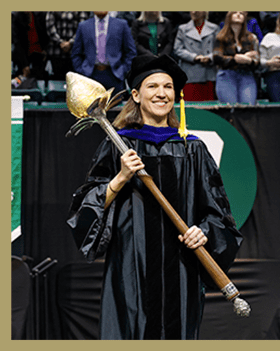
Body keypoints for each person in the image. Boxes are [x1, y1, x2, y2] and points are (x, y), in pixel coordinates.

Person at [67, 54, 243, 339]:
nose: (162, 93)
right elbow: (86, 209)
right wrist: (121, 177)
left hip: (182, 270)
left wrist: (205, 231)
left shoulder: (192, 150)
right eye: (152, 86)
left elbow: (218, 212)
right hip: (130, 268)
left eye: (168, 87)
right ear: (135, 94)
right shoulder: (119, 145)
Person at [71, 11, 136, 92]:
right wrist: (82, 71)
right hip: (90, 74)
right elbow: (76, 52)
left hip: (114, 74)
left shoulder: (121, 24)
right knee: (91, 104)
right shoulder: (83, 26)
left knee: (115, 104)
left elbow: (130, 51)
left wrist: (123, 70)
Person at [213, 11, 260, 105]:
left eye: (241, 13)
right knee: (230, 110)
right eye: (235, 12)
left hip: (247, 75)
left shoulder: (251, 38)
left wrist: (249, 61)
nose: (238, 14)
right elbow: (217, 58)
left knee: (248, 108)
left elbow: (257, 61)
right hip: (226, 75)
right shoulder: (220, 37)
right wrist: (236, 59)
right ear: (229, 16)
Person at [173, 11, 220, 101]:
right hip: (190, 73)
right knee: (190, 107)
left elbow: (219, 49)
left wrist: (209, 57)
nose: (194, 12)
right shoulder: (183, 28)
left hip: (209, 72)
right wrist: (194, 57)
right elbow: (178, 49)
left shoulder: (214, 28)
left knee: (209, 107)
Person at [45, 11, 89, 80]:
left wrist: (71, 42)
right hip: (56, 53)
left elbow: (83, 26)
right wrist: (60, 42)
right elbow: (49, 26)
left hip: (75, 54)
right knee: (57, 82)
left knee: (75, 82)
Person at [259, 11, 280, 102]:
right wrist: (270, 63)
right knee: (279, 109)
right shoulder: (270, 37)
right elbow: (260, 60)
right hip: (275, 76)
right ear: (279, 21)